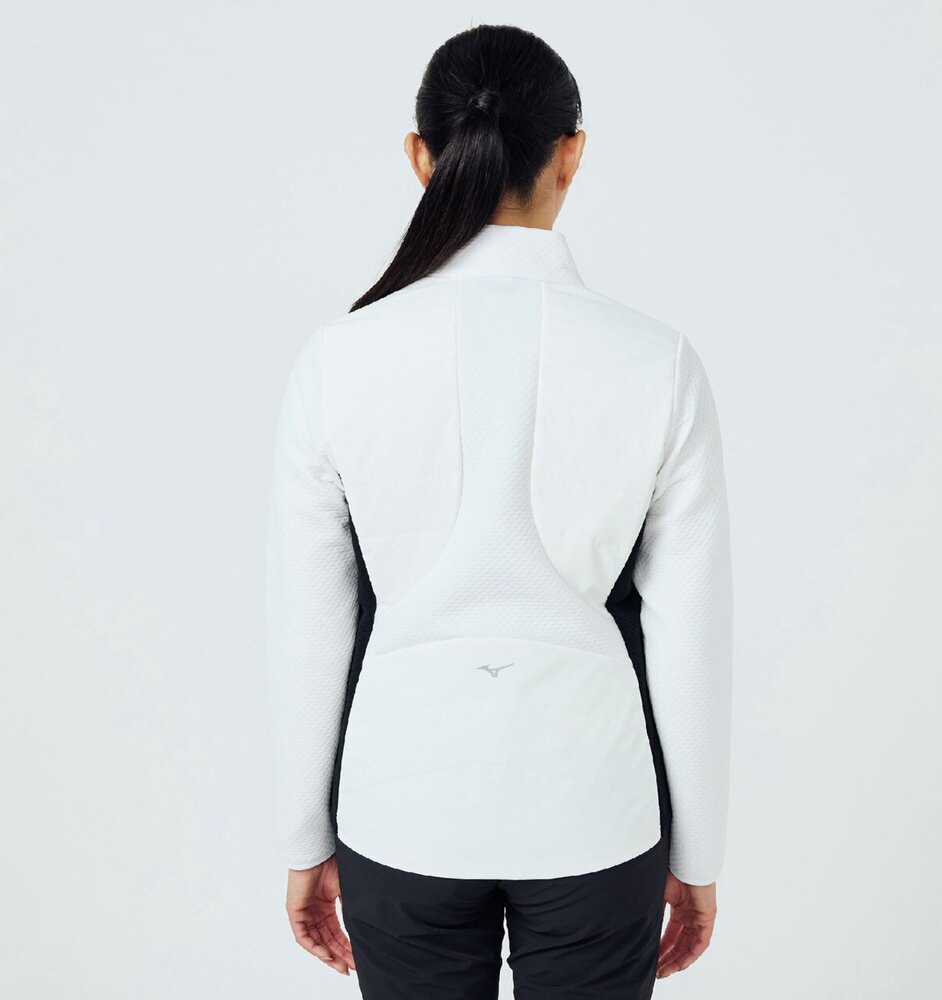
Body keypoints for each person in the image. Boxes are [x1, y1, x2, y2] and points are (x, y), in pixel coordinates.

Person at [264, 22, 733, 1000]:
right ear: (571, 153)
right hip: (597, 808)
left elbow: (309, 627)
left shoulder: (337, 361)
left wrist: (304, 838)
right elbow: (691, 636)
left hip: (401, 803)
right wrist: (696, 852)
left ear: (420, 157)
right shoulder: (658, 362)